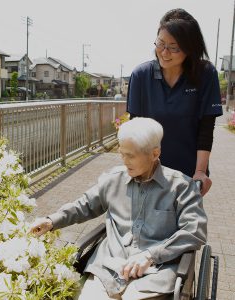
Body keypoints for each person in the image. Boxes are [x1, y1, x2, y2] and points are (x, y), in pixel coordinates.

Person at [30, 117, 207, 300]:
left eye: (130, 155)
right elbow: (84, 205)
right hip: (107, 270)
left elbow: (195, 230)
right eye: (122, 153)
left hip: (156, 274)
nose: (124, 161)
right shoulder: (113, 179)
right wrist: (52, 221)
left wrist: (151, 255)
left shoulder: (181, 187)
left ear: (155, 154)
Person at [126, 8, 223, 196]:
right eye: (160, 43)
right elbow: (134, 130)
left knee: (185, 224)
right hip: (148, 174)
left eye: (174, 47)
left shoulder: (205, 74)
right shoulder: (141, 75)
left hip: (187, 176)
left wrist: (200, 172)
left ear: (190, 48)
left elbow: (205, 129)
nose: (164, 52)